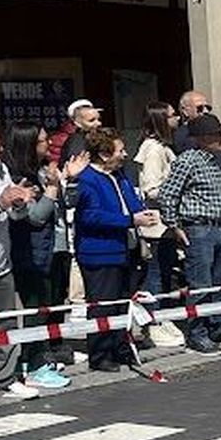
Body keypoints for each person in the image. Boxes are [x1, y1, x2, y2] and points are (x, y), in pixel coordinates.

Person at [74, 128, 160, 372]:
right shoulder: (87, 179)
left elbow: (131, 202)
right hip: (101, 252)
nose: (124, 154)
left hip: (126, 249)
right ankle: (100, 354)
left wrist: (141, 213)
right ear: (104, 154)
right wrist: (130, 220)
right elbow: (90, 216)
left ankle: (121, 347)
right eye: (119, 150)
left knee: (123, 303)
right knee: (104, 305)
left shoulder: (119, 174)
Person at [156, 113, 221, 356]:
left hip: (220, 227)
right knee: (200, 284)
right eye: (216, 134)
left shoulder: (219, 159)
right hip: (198, 228)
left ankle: (218, 327)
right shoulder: (188, 160)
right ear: (202, 137)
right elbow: (168, 194)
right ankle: (197, 333)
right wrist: (174, 226)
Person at [0, 125, 69, 389]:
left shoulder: (40, 171)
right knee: (35, 310)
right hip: (29, 253)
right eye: (42, 140)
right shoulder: (19, 178)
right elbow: (36, 217)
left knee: (47, 306)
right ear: (27, 145)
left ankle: (40, 357)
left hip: (50, 249)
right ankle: (31, 363)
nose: (48, 143)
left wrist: (60, 182)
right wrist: (51, 189)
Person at [0, 124, 44, 398]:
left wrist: (18, 202)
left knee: (4, 325)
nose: (1, 151)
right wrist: (0, 203)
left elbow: (14, 215)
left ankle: (3, 378)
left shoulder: (2, 170)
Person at [131, 103, 184, 348]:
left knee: (165, 272)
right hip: (156, 222)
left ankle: (162, 317)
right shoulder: (153, 150)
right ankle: (153, 321)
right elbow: (151, 188)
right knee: (155, 274)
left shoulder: (164, 148)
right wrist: (177, 191)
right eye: (172, 115)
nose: (177, 118)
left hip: (167, 221)